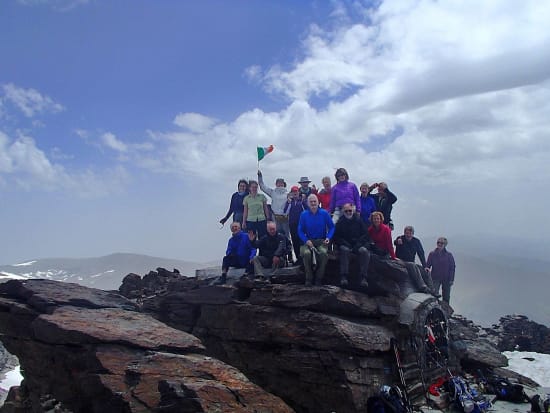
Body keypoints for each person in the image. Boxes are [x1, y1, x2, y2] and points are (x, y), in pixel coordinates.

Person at [298, 194, 335, 286]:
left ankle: (319, 278)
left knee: (323, 254)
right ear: (308, 203)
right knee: (306, 254)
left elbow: (332, 227)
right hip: (308, 241)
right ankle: (309, 278)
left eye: (315, 201)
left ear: (318, 202)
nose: (313, 203)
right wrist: (306, 240)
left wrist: (328, 237)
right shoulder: (304, 214)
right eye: (311, 202)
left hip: (321, 241)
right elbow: (300, 230)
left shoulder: (324, 213)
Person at [333, 203, 371, 288]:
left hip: (358, 245)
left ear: (353, 210)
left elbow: (365, 235)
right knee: (344, 250)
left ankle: (363, 277)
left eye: (350, 210)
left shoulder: (359, 220)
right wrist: (346, 244)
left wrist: (358, 245)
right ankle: (344, 276)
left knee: (364, 251)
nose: (348, 212)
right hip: (345, 245)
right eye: (346, 211)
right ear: (343, 211)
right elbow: (337, 237)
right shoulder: (340, 222)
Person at [258, 170, 289, 239]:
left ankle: (288, 248)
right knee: (276, 235)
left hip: (285, 218)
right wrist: (260, 177)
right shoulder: (273, 192)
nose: (280, 184)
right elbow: (262, 187)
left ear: (284, 184)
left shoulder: (288, 194)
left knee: (287, 236)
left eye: (281, 183)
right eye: (278, 183)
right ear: (276, 184)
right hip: (275, 217)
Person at [426, 237, 456, 304]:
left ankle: (446, 313)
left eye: (441, 243)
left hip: (447, 279)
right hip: (435, 278)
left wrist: (451, 279)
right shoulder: (432, 254)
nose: (439, 244)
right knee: (434, 294)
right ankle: (435, 311)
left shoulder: (449, 255)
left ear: (445, 244)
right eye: (438, 242)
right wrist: (426, 273)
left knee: (446, 297)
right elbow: (428, 265)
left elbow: (452, 268)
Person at [284, 186, 307, 264]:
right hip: (292, 224)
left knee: (302, 241)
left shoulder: (302, 201)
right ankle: (297, 258)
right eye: (293, 192)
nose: (295, 193)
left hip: (301, 224)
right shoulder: (289, 202)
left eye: (296, 191)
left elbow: (307, 211)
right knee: (294, 241)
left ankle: (303, 258)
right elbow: (285, 212)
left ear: (298, 192)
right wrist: (289, 203)